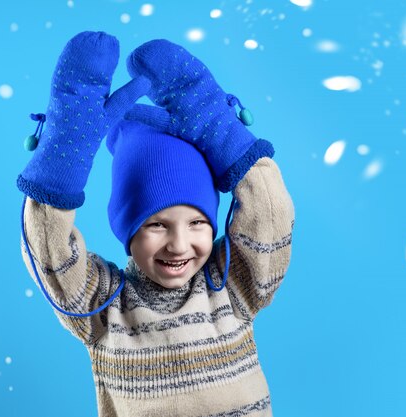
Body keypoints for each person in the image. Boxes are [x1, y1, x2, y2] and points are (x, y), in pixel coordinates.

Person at [18, 31, 294, 417]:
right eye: (157, 225)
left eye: (198, 222)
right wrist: (66, 151)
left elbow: (270, 217)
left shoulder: (231, 284)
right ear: (127, 230)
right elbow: (48, 253)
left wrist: (219, 127)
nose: (180, 244)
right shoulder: (102, 308)